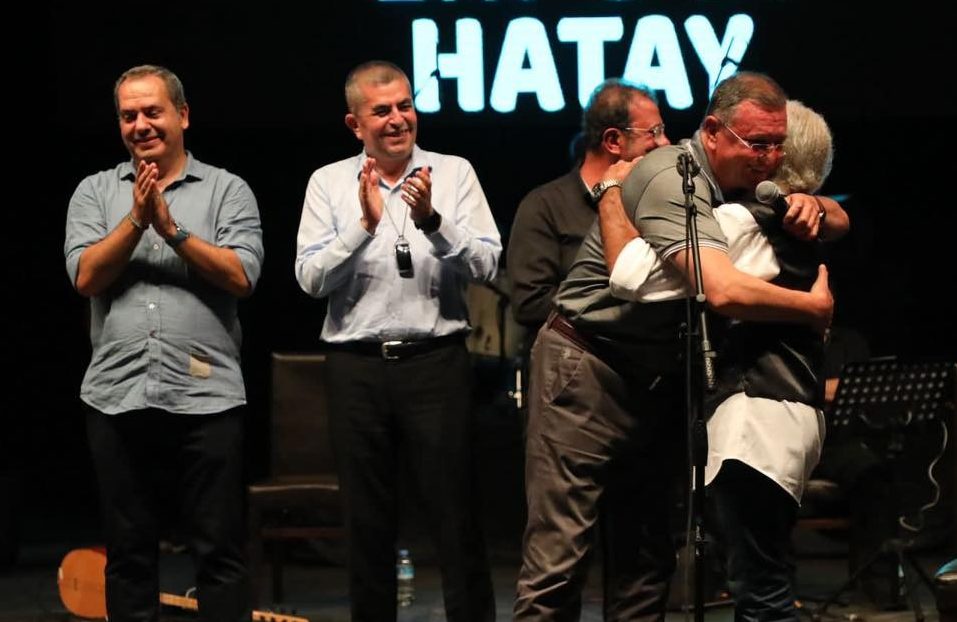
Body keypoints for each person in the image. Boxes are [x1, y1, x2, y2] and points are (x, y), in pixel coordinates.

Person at [514, 72, 840, 621]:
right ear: (712, 132)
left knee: (647, 564)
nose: (769, 158)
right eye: (757, 144)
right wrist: (810, 308)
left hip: (658, 379)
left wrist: (817, 205)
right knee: (559, 559)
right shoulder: (674, 176)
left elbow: (837, 217)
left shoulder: (743, 190)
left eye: (777, 145)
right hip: (589, 364)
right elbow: (716, 288)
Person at [606, 99, 850, 621]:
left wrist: (611, 193)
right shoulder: (801, 221)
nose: (759, 155)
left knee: (761, 592)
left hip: (755, 422)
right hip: (792, 415)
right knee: (764, 581)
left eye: (769, 145)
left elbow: (630, 275)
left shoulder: (744, 220)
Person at [294, 60, 499, 622]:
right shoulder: (327, 183)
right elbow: (309, 279)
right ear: (354, 123)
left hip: (436, 363)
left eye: (405, 106)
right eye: (381, 110)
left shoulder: (453, 173)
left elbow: (487, 265)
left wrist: (433, 220)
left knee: (456, 518)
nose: (397, 119)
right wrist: (362, 227)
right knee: (367, 525)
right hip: (356, 367)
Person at [64, 64, 263, 621]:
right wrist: (136, 219)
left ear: (183, 115)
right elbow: (85, 277)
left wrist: (171, 228)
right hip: (117, 395)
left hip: (208, 398)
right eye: (128, 115)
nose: (140, 125)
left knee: (219, 552)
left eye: (152, 111)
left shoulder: (227, 190)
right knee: (128, 555)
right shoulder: (94, 192)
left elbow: (242, 276)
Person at [507, 79, 670, 332]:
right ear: (613, 140)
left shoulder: (653, 203)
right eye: (654, 132)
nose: (665, 142)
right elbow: (529, 303)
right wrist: (626, 301)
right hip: (577, 352)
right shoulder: (544, 206)